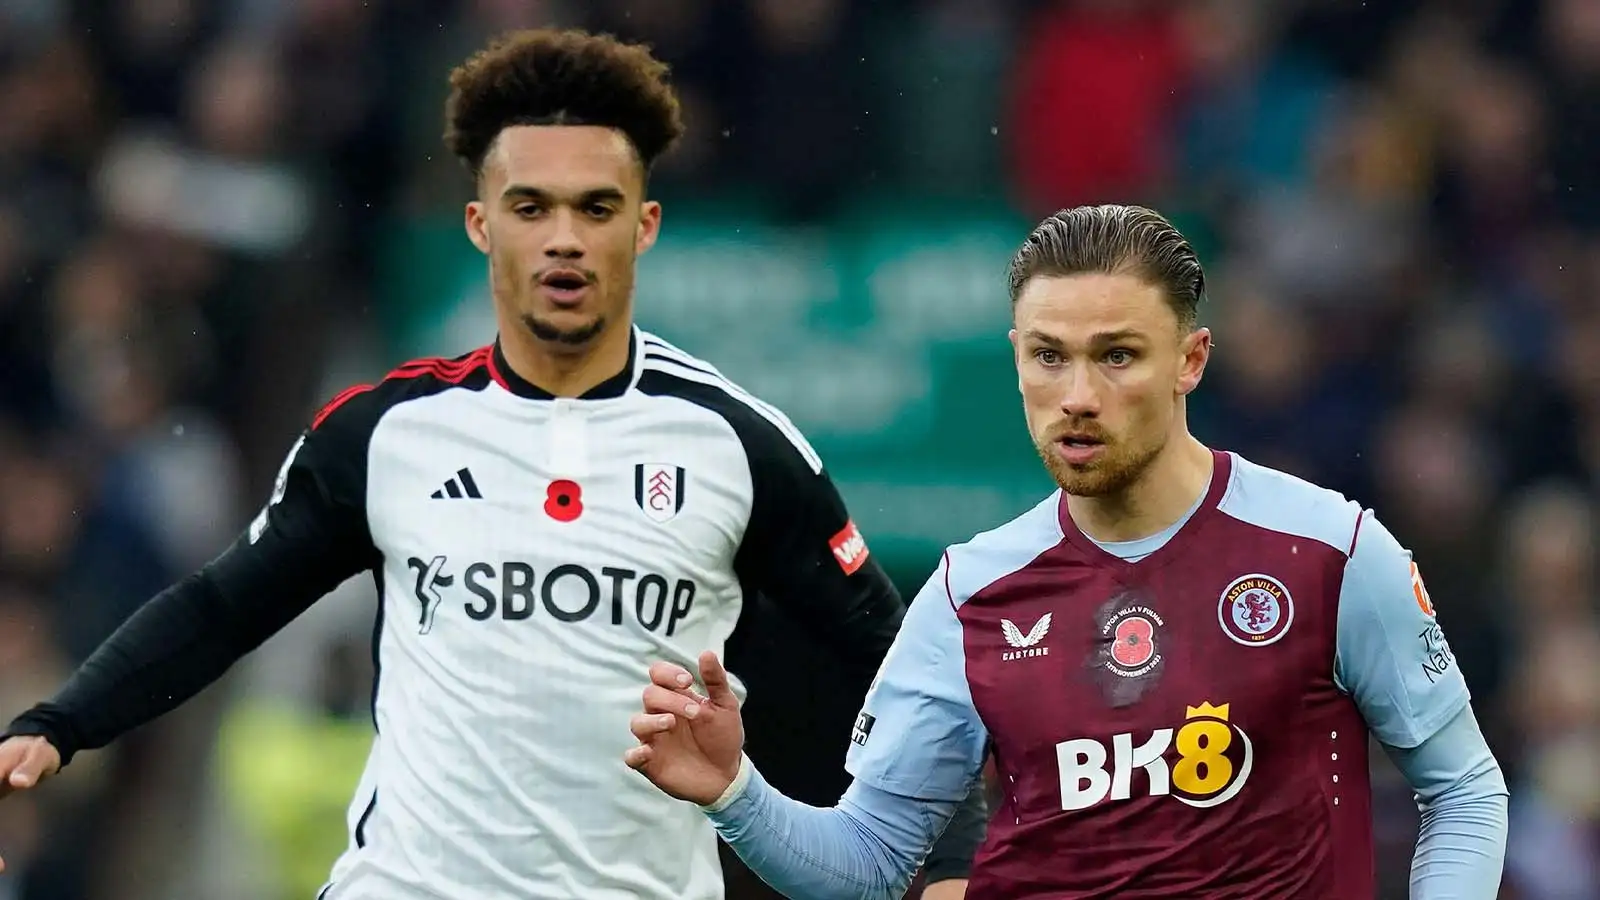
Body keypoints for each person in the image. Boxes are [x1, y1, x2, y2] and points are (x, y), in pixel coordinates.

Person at [0, 28, 986, 900]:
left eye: (597, 207)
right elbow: (222, 609)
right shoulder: (384, 433)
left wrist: (952, 859)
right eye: (530, 205)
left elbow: (894, 670)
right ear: (481, 224)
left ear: (643, 226)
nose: (563, 238)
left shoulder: (738, 444)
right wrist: (60, 721)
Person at [624, 204, 1512, 899]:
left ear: (1191, 359)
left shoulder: (1329, 552)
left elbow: (1465, 791)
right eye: (1049, 357)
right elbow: (870, 862)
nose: (1077, 395)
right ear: (1016, 357)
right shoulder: (968, 596)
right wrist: (735, 792)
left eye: (1117, 356)